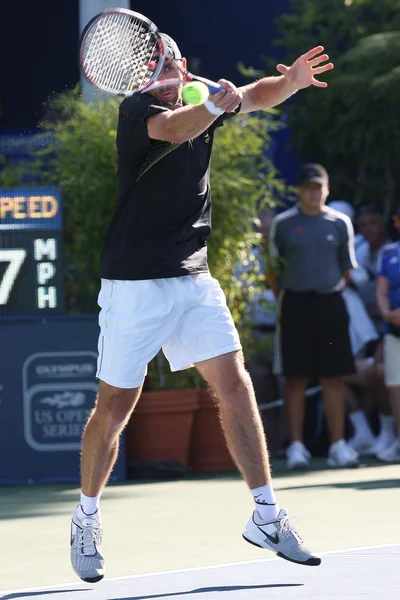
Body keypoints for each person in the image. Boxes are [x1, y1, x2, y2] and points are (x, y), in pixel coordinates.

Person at [69, 33, 334, 583]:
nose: (176, 63)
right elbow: (177, 129)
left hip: (193, 276)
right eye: (164, 58)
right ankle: (86, 517)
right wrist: (215, 104)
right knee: (114, 408)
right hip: (135, 284)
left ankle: (265, 514)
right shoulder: (138, 110)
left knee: (234, 384)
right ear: (149, 69)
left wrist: (286, 84)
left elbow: (254, 96)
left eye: (176, 56)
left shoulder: (197, 90)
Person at [268, 164, 359, 470]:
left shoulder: (340, 223)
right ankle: (296, 447)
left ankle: (338, 445)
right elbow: (273, 272)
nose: (314, 192)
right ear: (299, 190)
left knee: (333, 376)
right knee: (295, 378)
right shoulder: (283, 224)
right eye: (308, 187)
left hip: (331, 303)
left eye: (318, 186)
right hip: (295, 304)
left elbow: (346, 269)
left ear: (327, 189)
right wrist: (290, 294)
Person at [375, 208, 400, 463]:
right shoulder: (389, 252)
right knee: (395, 387)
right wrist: (386, 313)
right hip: (393, 330)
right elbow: (381, 289)